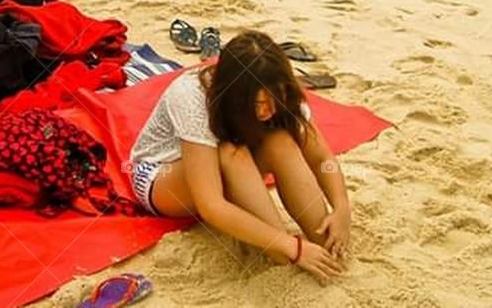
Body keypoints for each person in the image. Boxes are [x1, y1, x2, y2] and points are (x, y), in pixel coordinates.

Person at [129, 31, 350, 283]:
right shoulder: (192, 97)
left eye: (275, 100)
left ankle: (327, 245)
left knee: (281, 142)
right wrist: (292, 246)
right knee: (232, 151)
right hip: (163, 175)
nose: (270, 111)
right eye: (259, 104)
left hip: (228, 162)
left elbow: (323, 158)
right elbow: (210, 204)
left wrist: (341, 207)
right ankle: (282, 253)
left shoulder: (280, 93)